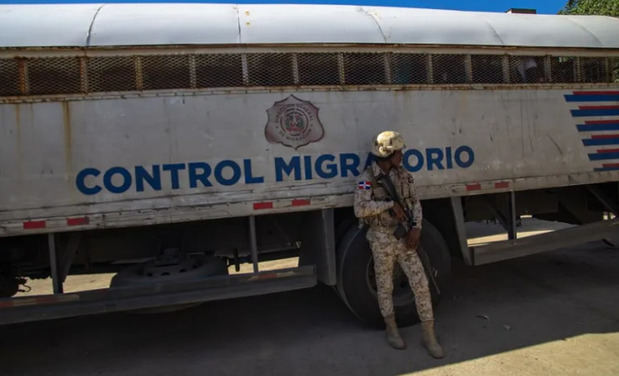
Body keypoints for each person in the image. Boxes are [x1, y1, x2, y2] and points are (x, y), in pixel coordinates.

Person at [353, 131, 444, 358]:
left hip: (405, 238)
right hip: (382, 239)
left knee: (421, 283)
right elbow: (360, 209)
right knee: (385, 287)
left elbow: (415, 203)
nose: (402, 155)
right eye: (399, 151)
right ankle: (391, 329)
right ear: (387, 154)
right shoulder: (367, 179)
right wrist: (387, 205)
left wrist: (416, 228)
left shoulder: (404, 176)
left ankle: (428, 334)